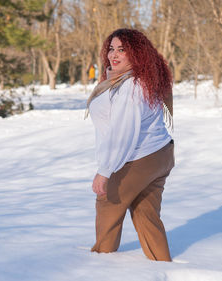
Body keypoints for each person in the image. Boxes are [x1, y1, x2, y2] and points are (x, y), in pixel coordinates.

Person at [86, 28, 174, 262]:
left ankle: (102, 264)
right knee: (146, 215)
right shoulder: (140, 79)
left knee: (107, 205)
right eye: (112, 49)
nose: (113, 55)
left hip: (138, 158)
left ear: (136, 53)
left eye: (122, 50)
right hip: (160, 154)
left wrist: (105, 172)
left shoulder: (130, 87)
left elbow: (122, 134)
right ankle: (162, 265)